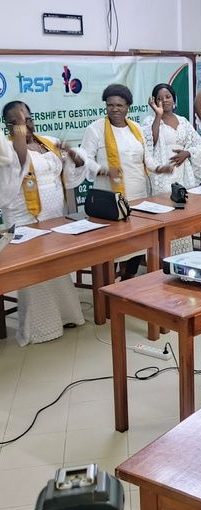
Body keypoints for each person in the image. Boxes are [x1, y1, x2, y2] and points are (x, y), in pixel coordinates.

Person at [0, 101, 86, 345]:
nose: (25, 125)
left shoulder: (48, 141)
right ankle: (42, 328)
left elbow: (71, 171)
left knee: (56, 267)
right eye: (16, 122)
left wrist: (73, 155)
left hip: (53, 216)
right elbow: (15, 169)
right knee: (35, 273)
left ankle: (68, 315)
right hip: (24, 217)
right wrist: (19, 134)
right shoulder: (7, 149)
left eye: (27, 119)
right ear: (8, 126)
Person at [81, 84, 171, 279]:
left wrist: (159, 168)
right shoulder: (95, 129)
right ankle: (108, 284)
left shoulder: (136, 128)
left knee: (136, 243)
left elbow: (147, 158)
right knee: (112, 247)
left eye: (119, 105)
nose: (114, 109)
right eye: (110, 105)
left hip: (137, 195)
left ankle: (128, 278)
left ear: (128, 106)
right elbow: (85, 159)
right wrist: (103, 170)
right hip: (109, 199)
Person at [143, 82, 201, 255]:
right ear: (154, 102)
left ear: (174, 99)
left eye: (168, 97)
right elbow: (150, 142)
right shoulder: (149, 121)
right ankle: (162, 256)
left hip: (182, 173)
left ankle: (183, 254)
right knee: (164, 213)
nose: (164, 100)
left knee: (182, 212)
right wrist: (158, 115)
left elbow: (199, 143)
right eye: (160, 98)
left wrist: (187, 153)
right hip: (162, 175)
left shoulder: (183, 121)